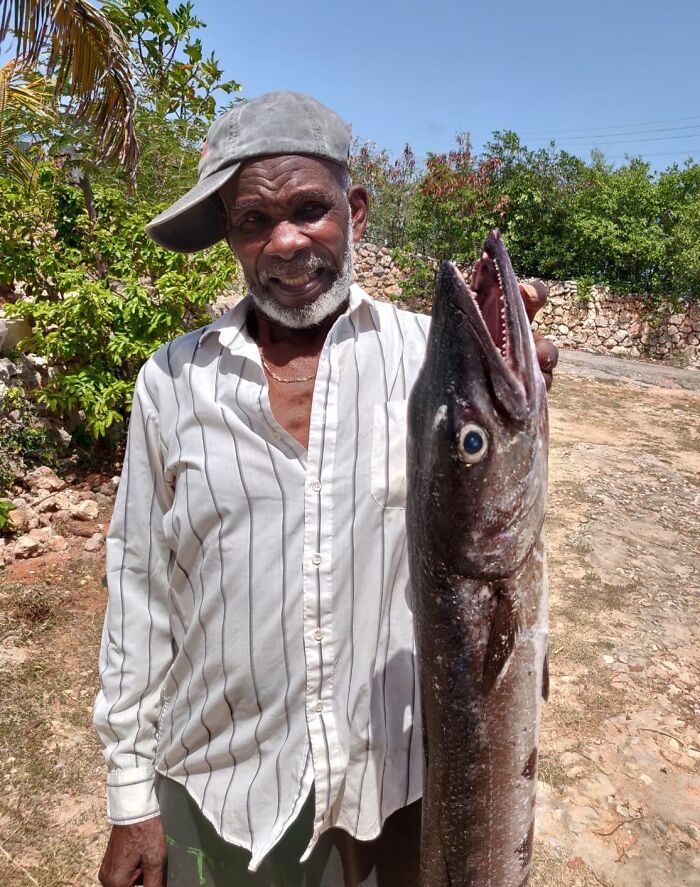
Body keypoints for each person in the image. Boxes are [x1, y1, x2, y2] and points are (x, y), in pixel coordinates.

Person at [94, 91, 558, 887]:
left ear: (358, 210)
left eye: (311, 209)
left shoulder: (426, 360)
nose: (285, 241)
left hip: (396, 790)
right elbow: (139, 589)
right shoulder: (171, 381)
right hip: (221, 789)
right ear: (231, 238)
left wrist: (522, 381)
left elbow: (491, 498)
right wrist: (129, 794)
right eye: (251, 220)